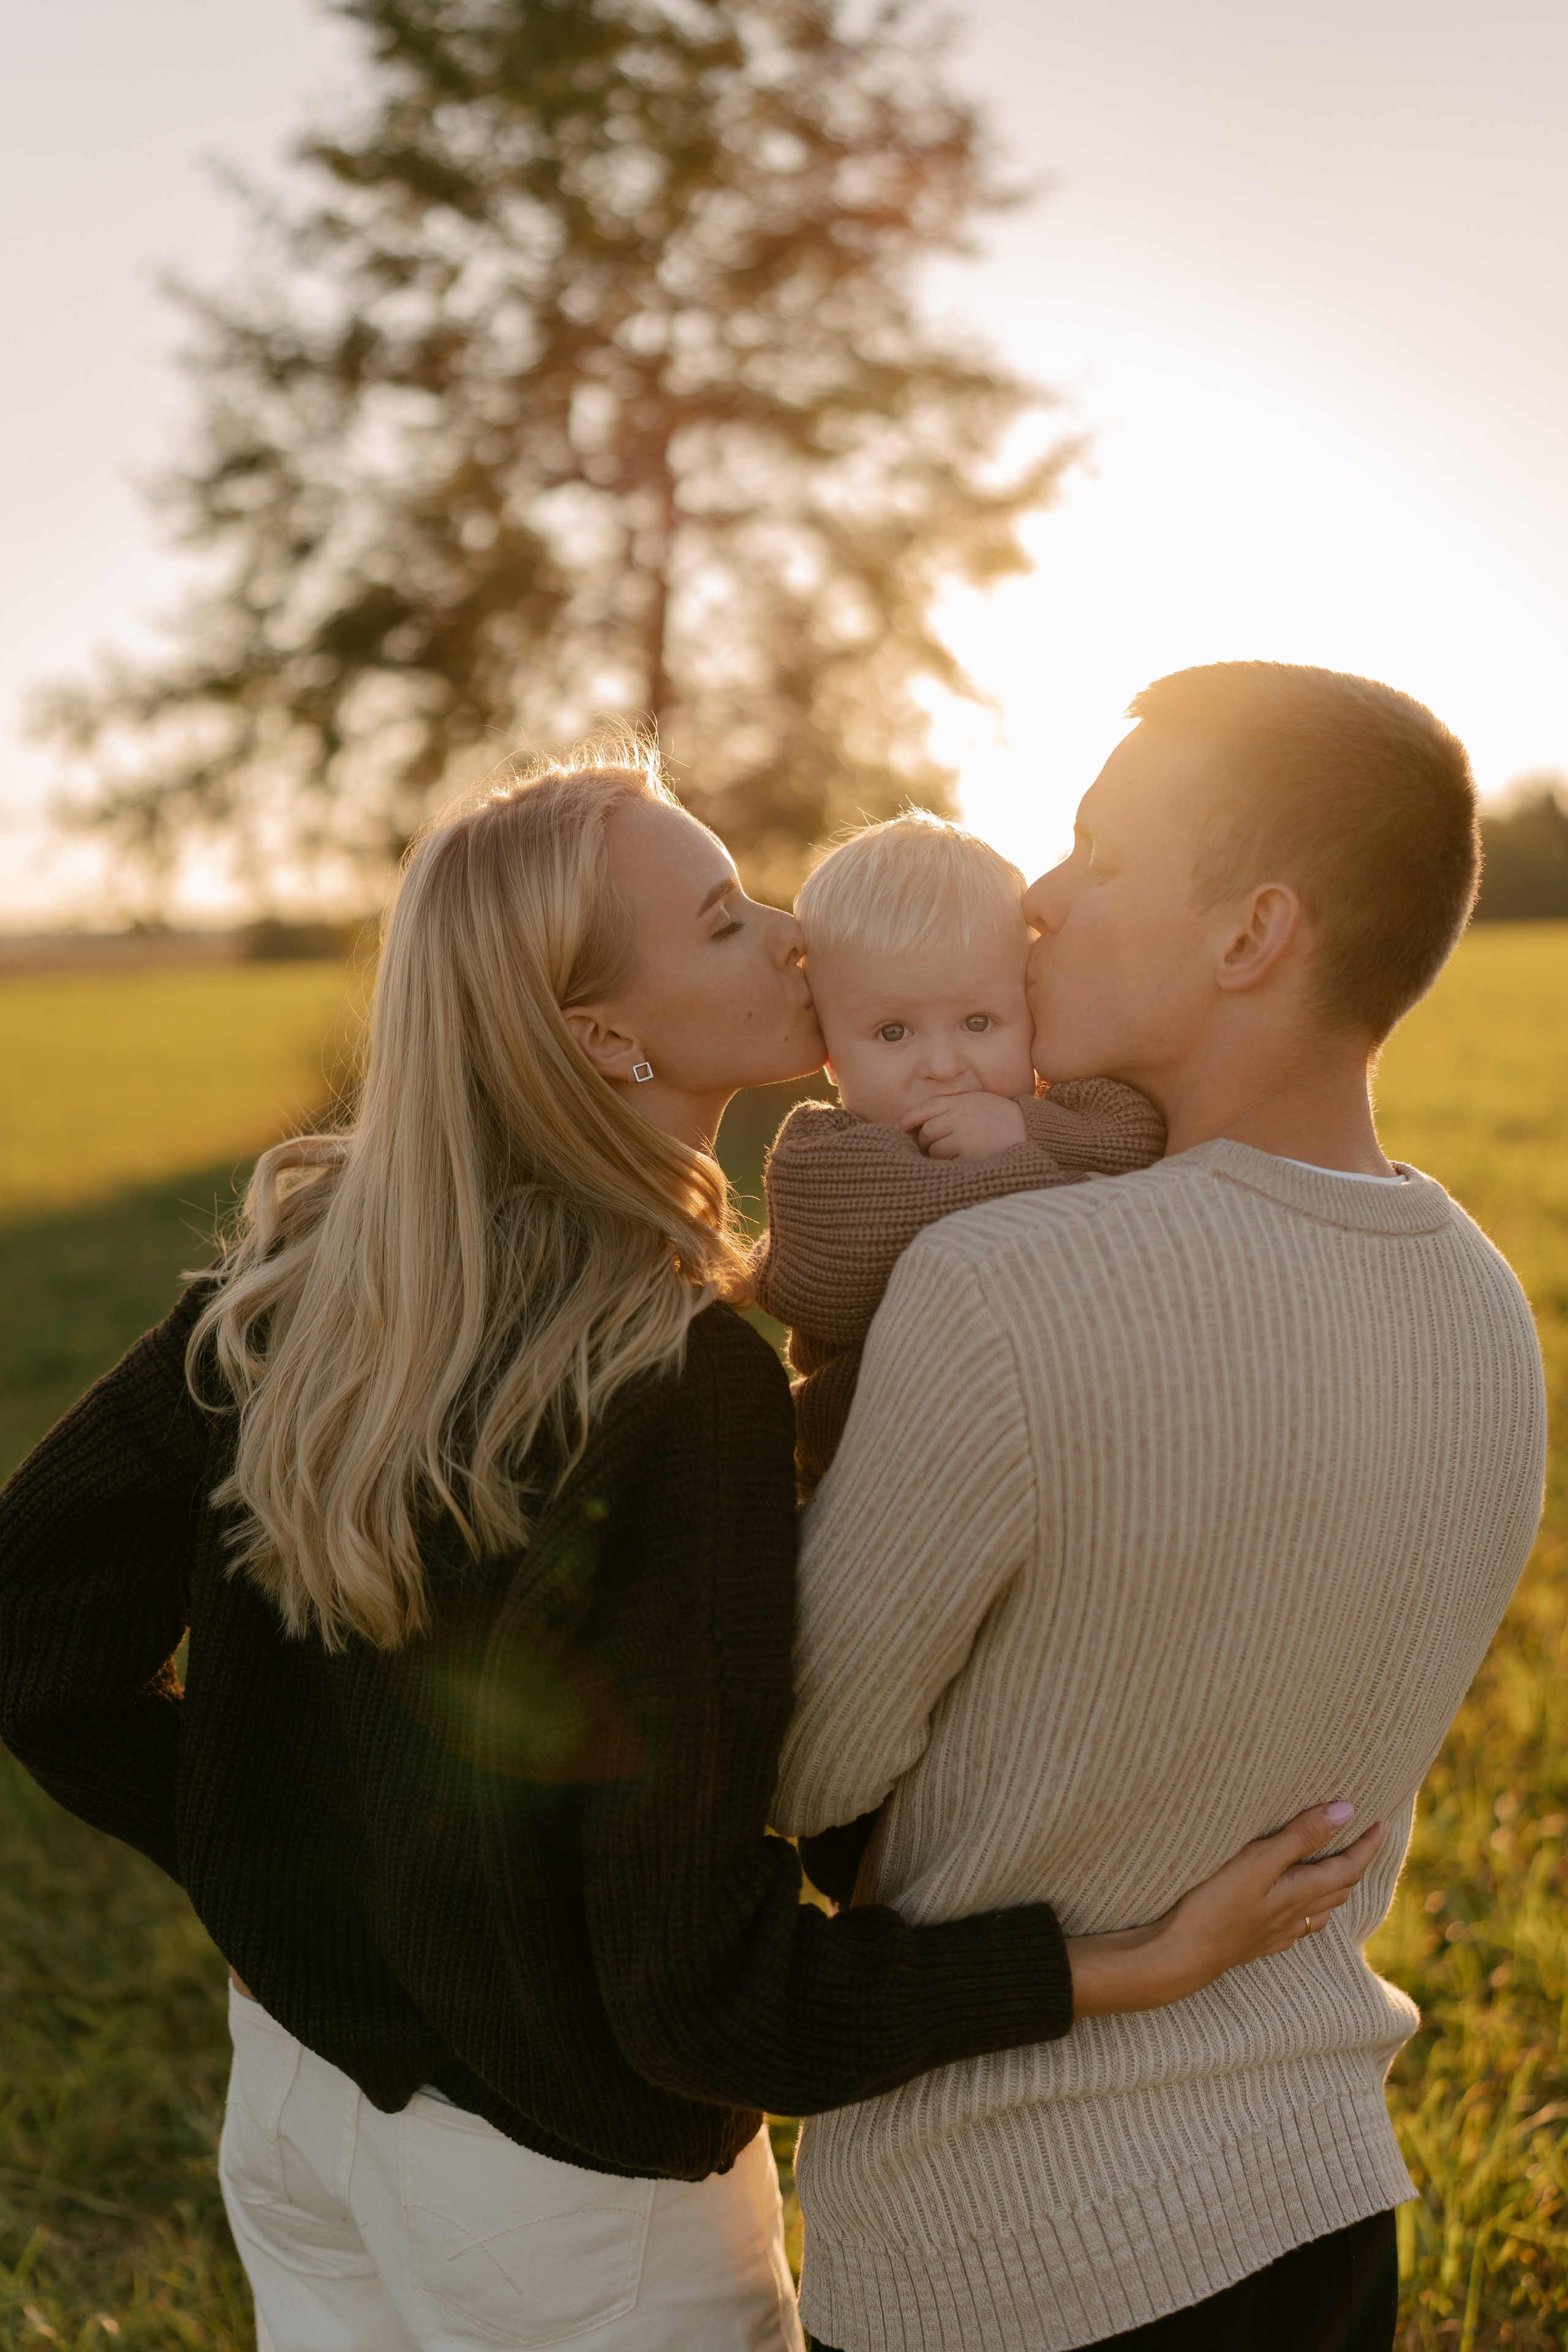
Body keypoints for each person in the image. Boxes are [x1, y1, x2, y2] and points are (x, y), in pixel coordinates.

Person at [0, 739, 1380, 2352]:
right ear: (603, 1035)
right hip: (558, 2203)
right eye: (725, 921)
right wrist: (1116, 1969)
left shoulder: (298, 1273)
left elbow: (29, 1632)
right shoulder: (674, 1374)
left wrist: (281, 1878)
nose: (794, 935)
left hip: (301, 2110)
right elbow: (701, 2001)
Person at [774, 662, 1548, 2352]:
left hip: (1005, 2253)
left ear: (1252, 932)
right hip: (1324, 2206)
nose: (1040, 902)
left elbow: (794, 1769)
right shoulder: (1488, 1302)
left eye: (1102, 853)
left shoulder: (1000, 1284)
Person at [753, 812, 1165, 1498]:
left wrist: (1024, 1126)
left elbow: (1139, 1137)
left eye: (979, 1022)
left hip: (1045, 1459)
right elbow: (832, 1276)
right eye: (893, 1032)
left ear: (1029, 1013)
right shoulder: (821, 1155)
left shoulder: (1052, 1112)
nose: (943, 1065)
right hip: (870, 1481)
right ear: (829, 1053)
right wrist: (1064, 1186)